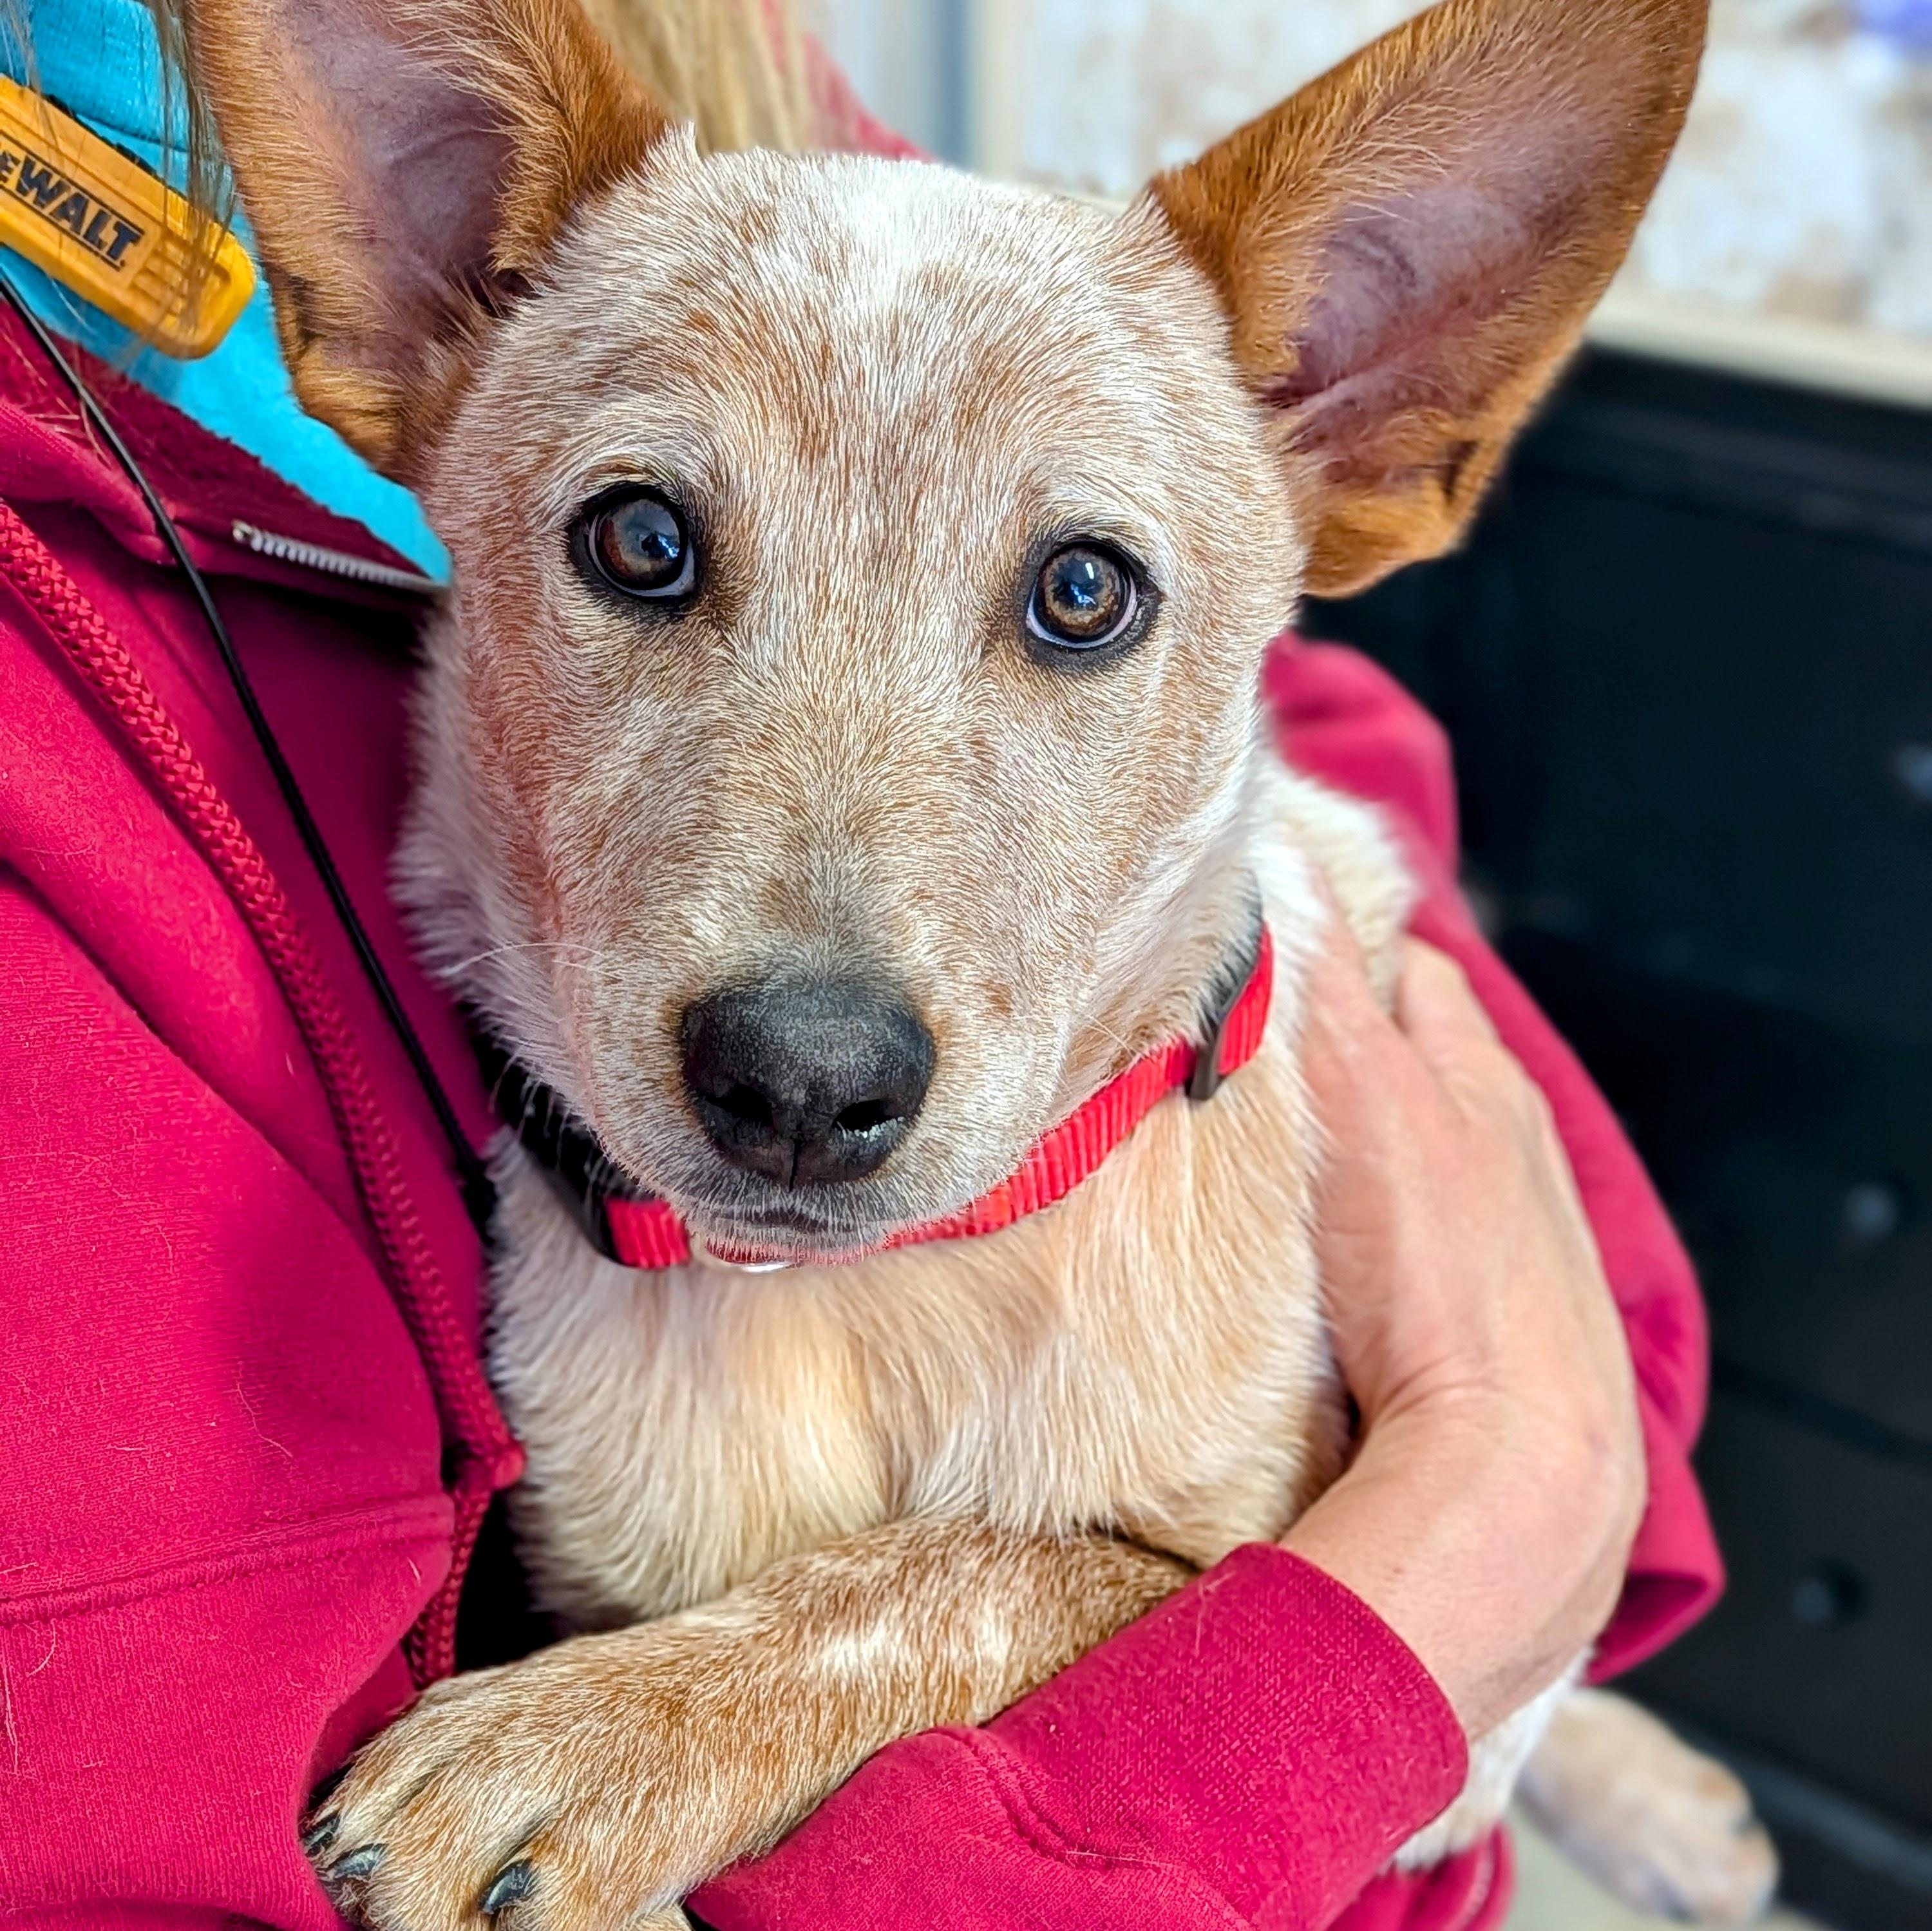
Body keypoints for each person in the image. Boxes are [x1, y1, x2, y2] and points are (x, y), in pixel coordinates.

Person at [0, 1, 1720, 1926]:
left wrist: (1540, 1508)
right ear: (423, 289)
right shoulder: (539, 291)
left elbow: (1508, 1552)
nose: (812, 1036)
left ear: (1365, 416)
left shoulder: (827, 185)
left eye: (1079, 595)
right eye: (646, 546)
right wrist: (1479, 1535)